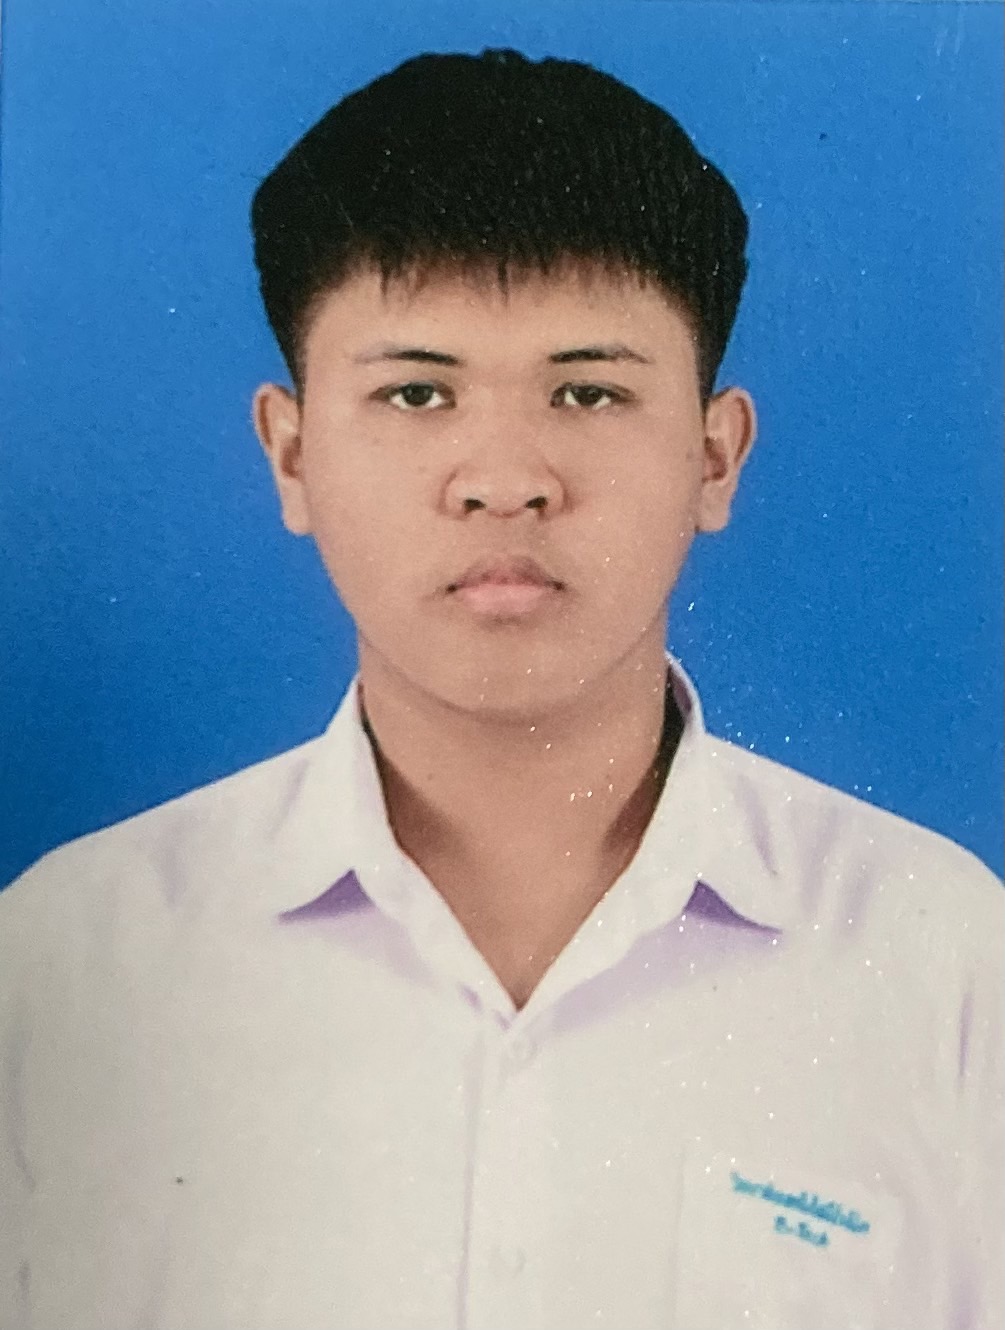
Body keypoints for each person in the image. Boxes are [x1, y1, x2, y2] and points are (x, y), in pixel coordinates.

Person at [1, 47, 1000, 1330]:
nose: (505, 478)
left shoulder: (947, 965)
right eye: (417, 392)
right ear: (292, 455)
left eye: (588, 391)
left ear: (714, 456)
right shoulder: (65, 965)